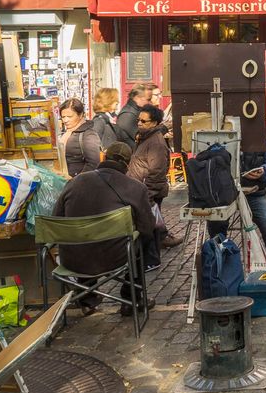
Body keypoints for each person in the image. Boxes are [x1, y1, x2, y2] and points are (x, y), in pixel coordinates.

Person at [50, 142, 156, 317]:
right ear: (128, 164)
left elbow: (57, 218)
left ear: (104, 158)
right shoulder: (135, 187)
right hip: (114, 258)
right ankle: (132, 298)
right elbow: (147, 227)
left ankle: (86, 299)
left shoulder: (75, 182)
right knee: (142, 239)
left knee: (84, 238)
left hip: (72, 258)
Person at [205, 138, 266, 288]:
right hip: (222, 194)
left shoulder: (260, 138)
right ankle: (218, 270)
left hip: (254, 193)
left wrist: (263, 170)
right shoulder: (219, 138)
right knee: (217, 227)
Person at [127, 104, 182, 263]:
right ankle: (150, 256)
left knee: (150, 227)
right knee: (150, 224)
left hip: (148, 192)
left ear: (155, 123)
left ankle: (152, 260)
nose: (139, 123)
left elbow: (157, 174)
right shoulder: (143, 137)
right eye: (138, 120)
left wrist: (147, 195)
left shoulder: (156, 143)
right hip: (140, 191)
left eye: (144, 121)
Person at [60, 97, 100, 177]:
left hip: (79, 183)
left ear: (81, 115)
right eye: (63, 117)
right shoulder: (66, 133)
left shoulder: (88, 135)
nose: (65, 120)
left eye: (69, 116)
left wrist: (77, 181)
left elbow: (93, 163)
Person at [115, 84, 148, 149]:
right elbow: (140, 136)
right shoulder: (128, 114)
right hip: (130, 154)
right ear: (137, 98)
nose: (147, 102)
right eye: (145, 99)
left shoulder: (136, 110)